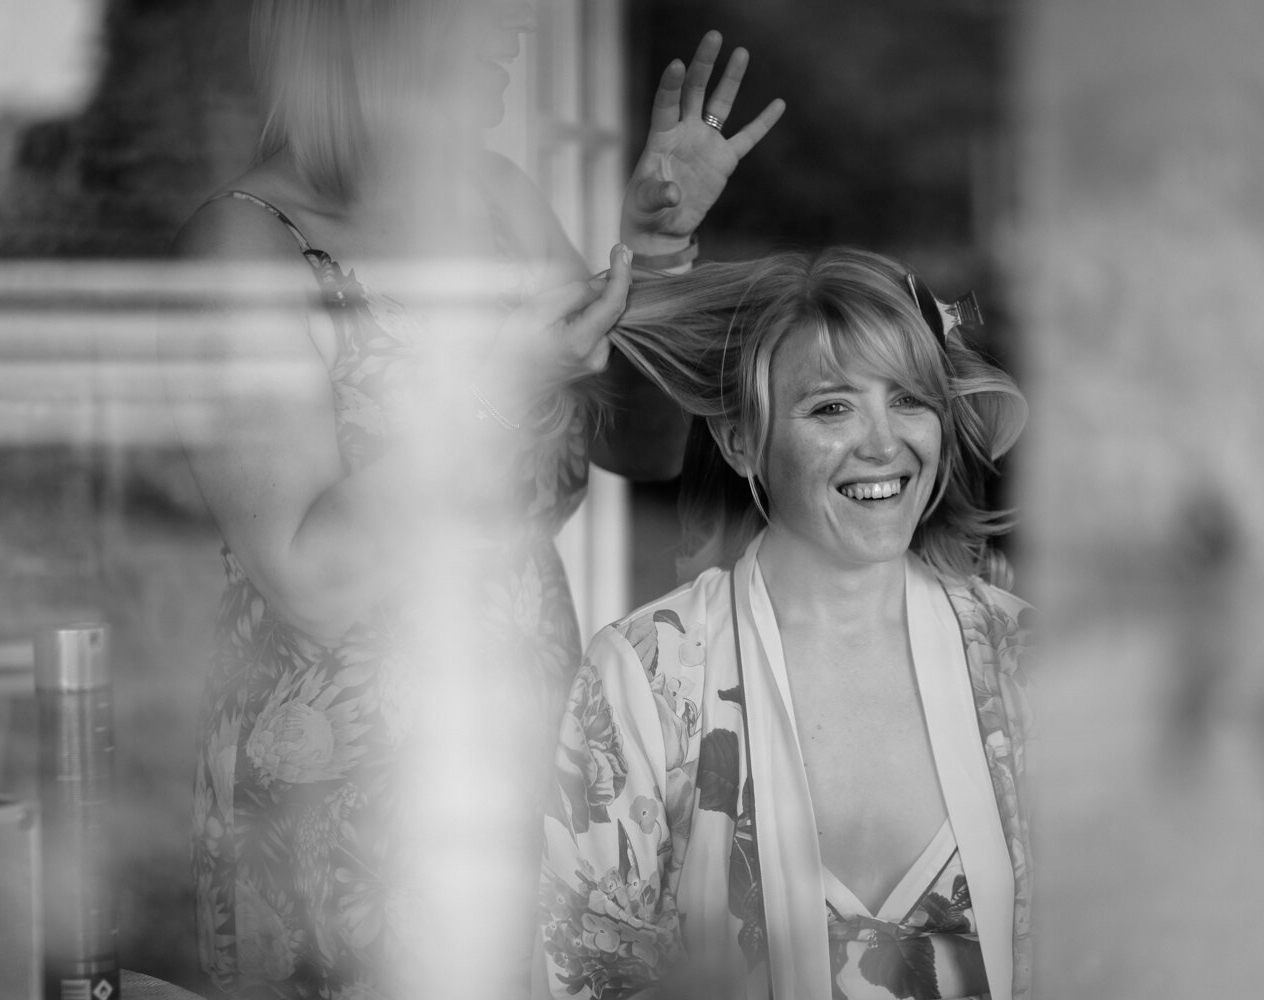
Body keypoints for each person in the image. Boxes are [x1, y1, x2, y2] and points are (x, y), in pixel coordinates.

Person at [166, 2, 784, 997]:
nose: (515, 31)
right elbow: (310, 578)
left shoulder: (495, 201)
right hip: (350, 811)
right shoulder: (246, 245)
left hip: (530, 758)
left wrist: (653, 249)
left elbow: (639, 441)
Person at [537, 248, 1032, 1000]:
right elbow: (576, 975)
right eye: (832, 406)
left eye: (908, 399)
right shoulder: (646, 675)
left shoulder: (1021, 661)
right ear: (742, 442)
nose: (882, 443)